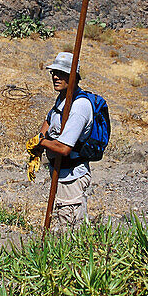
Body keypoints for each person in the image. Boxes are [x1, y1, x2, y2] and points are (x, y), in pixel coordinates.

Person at [30, 52, 94, 230]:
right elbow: (49, 120)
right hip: (59, 174)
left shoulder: (79, 106)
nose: (56, 77)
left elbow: (64, 148)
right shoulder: (62, 99)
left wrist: (40, 142)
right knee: (61, 221)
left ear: (74, 76)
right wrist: (38, 146)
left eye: (62, 73)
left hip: (72, 177)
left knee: (71, 227)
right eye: (54, 73)